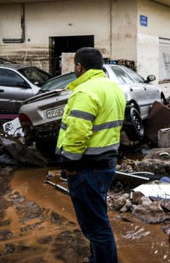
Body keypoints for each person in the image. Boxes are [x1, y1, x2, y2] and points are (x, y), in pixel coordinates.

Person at [56, 47, 125, 263]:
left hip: (86, 167)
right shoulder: (113, 88)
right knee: (98, 217)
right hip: (106, 163)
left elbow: (78, 132)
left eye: (75, 65)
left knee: (95, 226)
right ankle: (97, 258)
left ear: (79, 66)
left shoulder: (85, 91)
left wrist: (69, 164)